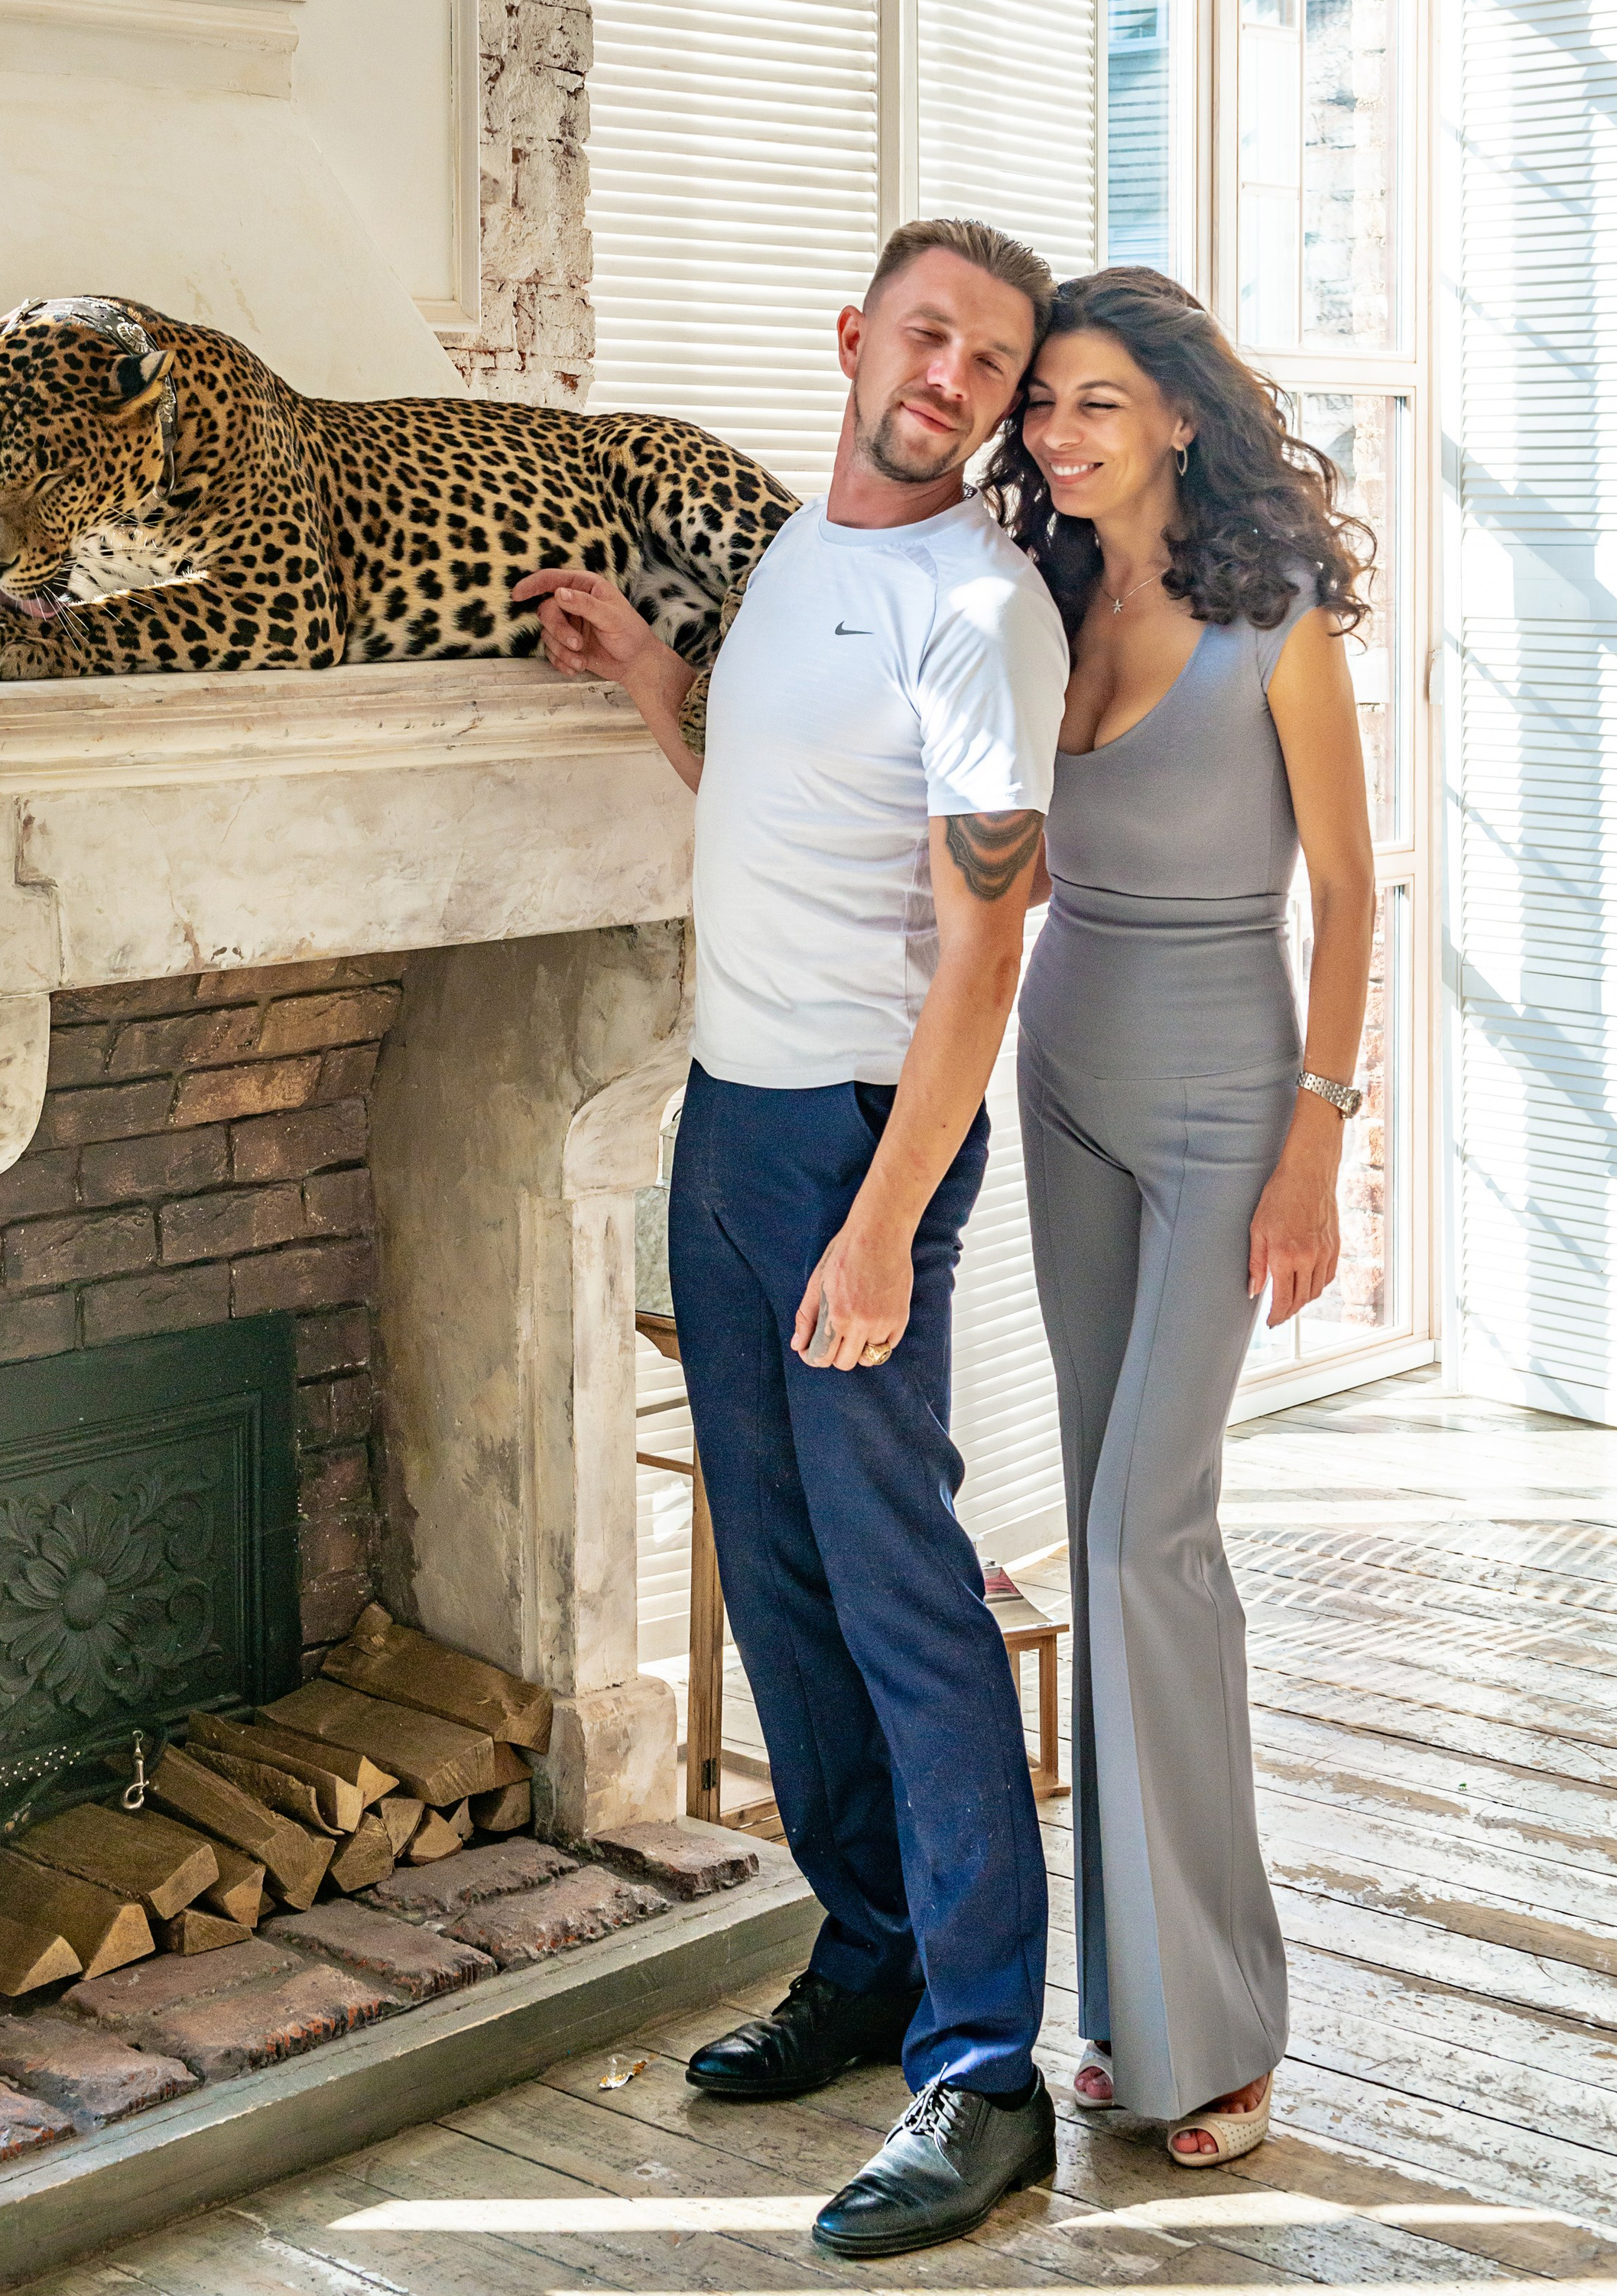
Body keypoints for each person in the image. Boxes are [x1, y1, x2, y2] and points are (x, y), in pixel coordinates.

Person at [515, 218, 1070, 2260]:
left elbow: (984, 950)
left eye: (991, 359)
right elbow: (762, 792)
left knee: (904, 1593)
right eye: (929, 333)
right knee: (776, 1577)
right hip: (726, 1126)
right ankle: (864, 1955)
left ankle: (983, 2064)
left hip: (857, 1143)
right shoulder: (795, 573)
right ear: (855, 340)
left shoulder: (977, 605)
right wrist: (664, 675)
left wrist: (885, 1229)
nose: (952, 374)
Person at [1008, 264, 1375, 2167]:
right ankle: (1132, 2014)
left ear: (1171, 413)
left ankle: (1220, 2023)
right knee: (1093, 1518)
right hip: (1056, 1070)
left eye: (1093, 402)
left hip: (1228, 1091)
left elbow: (1350, 898)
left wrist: (1316, 1142)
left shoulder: (1273, 623)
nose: (1058, 434)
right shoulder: (1041, 597)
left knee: (1152, 1530)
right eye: (1041, 405)